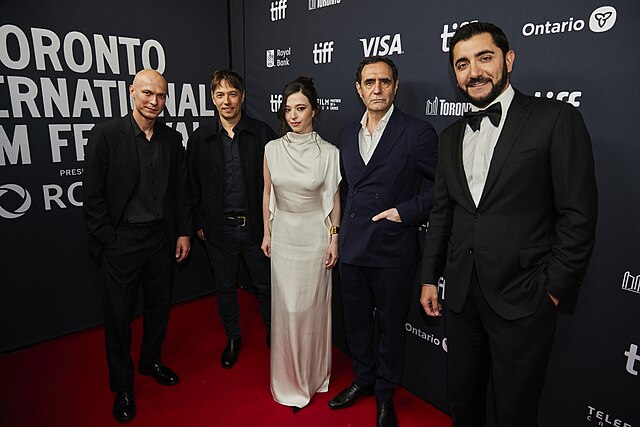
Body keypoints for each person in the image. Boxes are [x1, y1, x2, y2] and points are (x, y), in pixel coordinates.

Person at [420, 22, 598, 427]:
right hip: (462, 296)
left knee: (515, 410)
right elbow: (442, 213)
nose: (474, 72)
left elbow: (578, 213)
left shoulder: (555, 118)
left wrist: (551, 290)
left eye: (485, 58)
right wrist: (430, 277)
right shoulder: (449, 136)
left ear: (509, 60)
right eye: (462, 64)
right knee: (463, 403)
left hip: (524, 297)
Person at [329, 57, 438, 427]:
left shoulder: (418, 132)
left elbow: (442, 189)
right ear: (358, 88)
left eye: (385, 82)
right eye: (369, 82)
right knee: (357, 323)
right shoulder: (346, 134)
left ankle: (385, 395)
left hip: (393, 249)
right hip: (352, 249)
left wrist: (404, 212)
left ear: (395, 86)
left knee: (391, 327)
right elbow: (341, 189)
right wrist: (335, 235)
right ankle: (363, 380)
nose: (377, 89)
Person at [83, 69, 192, 423]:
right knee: (118, 317)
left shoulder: (172, 140)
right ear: (132, 92)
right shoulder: (107, 135)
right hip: (122, 241)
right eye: (147, 93)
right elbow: (93, 197)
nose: (154, 102)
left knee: (159, 307)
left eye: (160, 96)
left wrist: (183, 232)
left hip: (161, 238)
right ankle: (123, 385)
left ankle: (151, 361)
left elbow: (179, 192)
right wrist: (110, 240)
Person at [261, 76, 341, 413]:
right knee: (286, 310)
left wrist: (334, 238)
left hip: (314, 236)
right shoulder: (271, 149)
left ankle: (312, 376)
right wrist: (266, 232)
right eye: (288, 109)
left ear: (314, 111)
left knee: (311, 311)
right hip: (282, 237)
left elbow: (334, 200)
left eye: (301, 108)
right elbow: (267, 193)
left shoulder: (329, 153)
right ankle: (286, 378)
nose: (293, 115)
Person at [187, 69, 275, 369]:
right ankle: (233, 338)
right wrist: (198, 222)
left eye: (232, 93)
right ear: (213, 98)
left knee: (266, 286)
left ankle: (274, 334)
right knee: (224, 287)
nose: (227, 101)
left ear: (243, 96)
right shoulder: (200, 138)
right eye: (220, 94)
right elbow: (192, 184)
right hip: (218, 230)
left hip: (256, 228)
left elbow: (276, 184)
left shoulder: (263, 134)